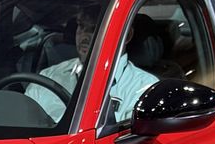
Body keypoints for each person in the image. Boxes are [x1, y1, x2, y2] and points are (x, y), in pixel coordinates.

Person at [25, 10, 157, 123]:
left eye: (95, 28)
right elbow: (23, 121)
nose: (84, 36)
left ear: (126, 36)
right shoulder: (48, 77)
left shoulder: (143, 89)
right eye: (81, 26)